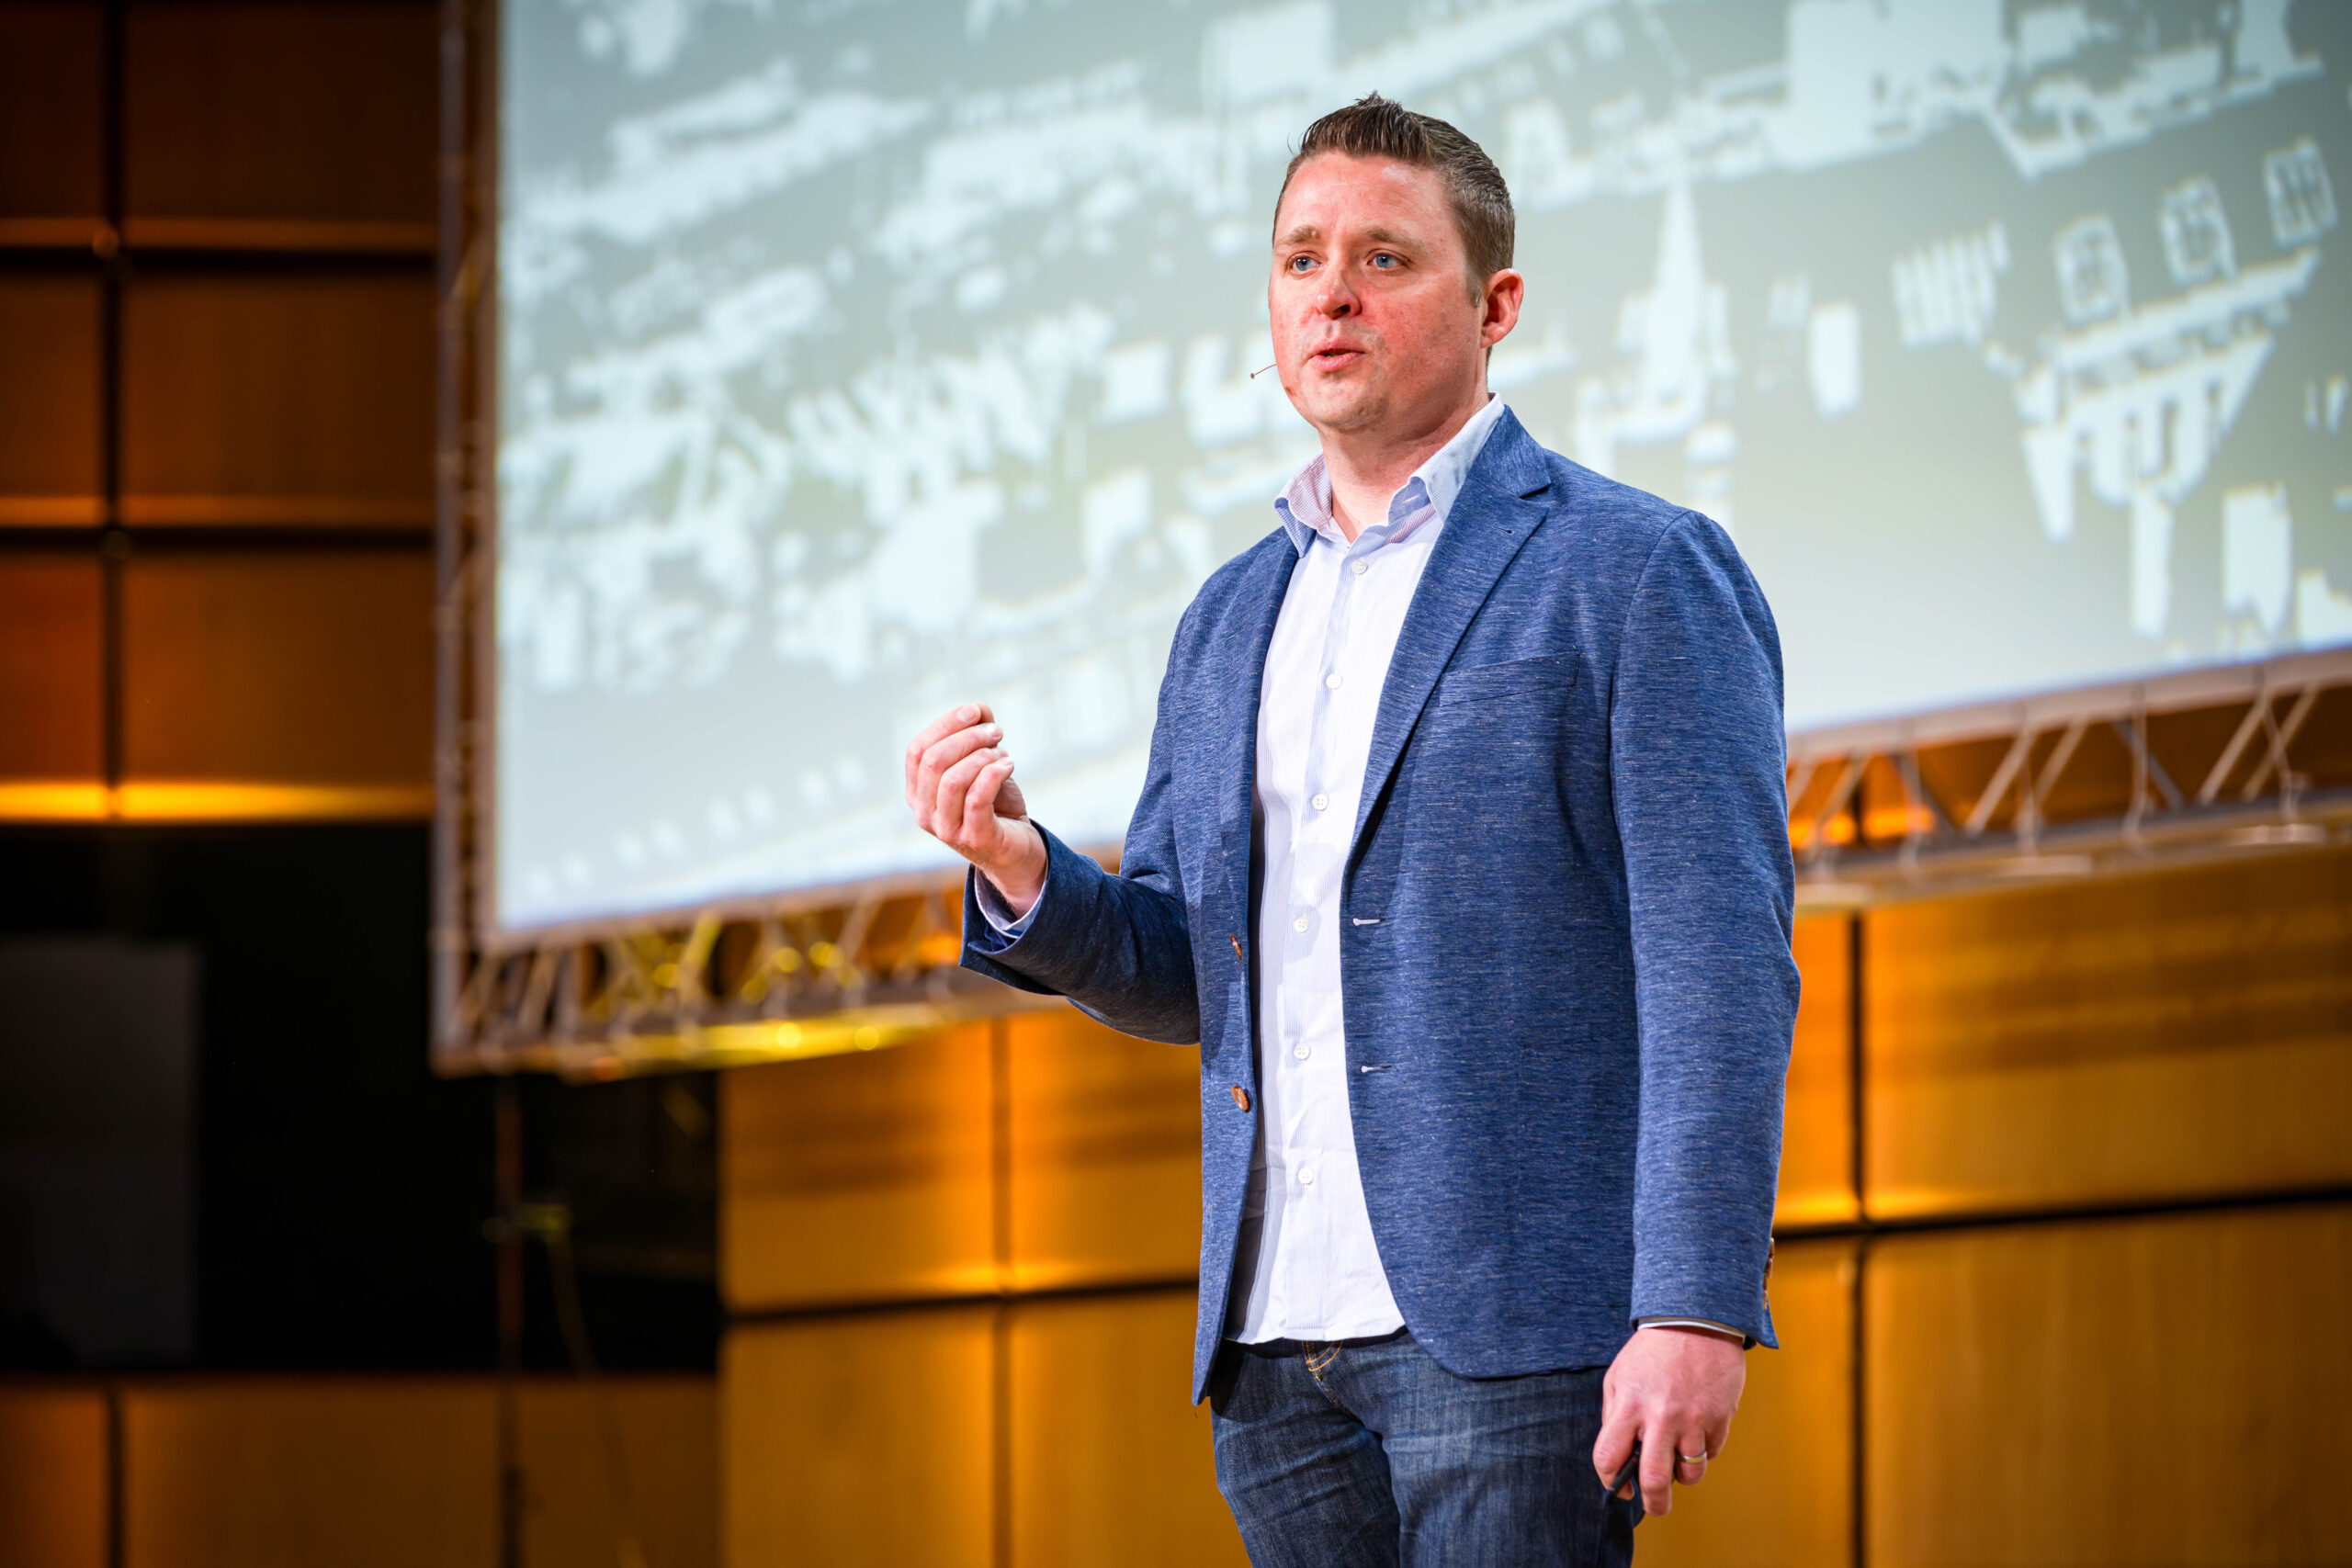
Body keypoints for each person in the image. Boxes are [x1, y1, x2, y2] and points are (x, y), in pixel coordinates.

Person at [903, 94, 1796, 1566]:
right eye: (1302, 259)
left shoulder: (1635, 570)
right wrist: (1024, 870)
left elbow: (1721, 971)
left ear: (1496, 305)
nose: (1332, 293)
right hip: (1273, 1356)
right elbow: (1192, 972)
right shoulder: (1228, 617)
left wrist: (1695, 1303)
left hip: (1514, 1333)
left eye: (1385, 258)